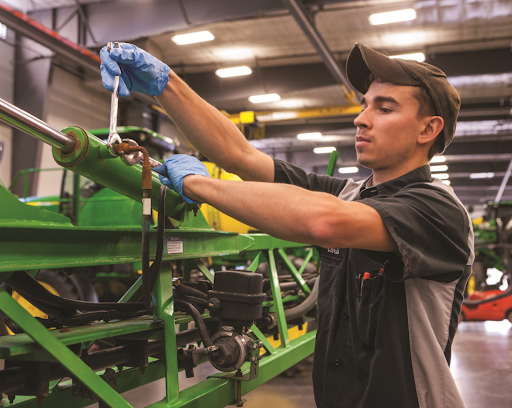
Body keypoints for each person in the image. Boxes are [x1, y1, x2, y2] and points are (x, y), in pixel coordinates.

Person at [100, 42, 473, 408]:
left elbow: (323, 221)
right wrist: (167, 84)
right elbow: (240, 155)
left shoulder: (437, 208)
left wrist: (199, 185)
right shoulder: (350, 193)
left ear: (428, 129)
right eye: (364, 105)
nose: (361, 118)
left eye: (385, 108)